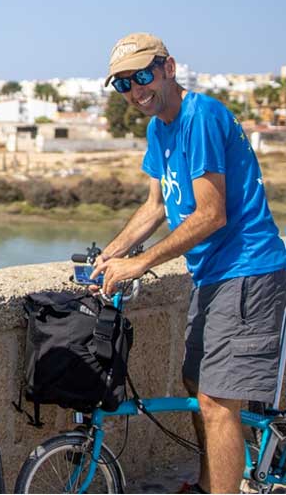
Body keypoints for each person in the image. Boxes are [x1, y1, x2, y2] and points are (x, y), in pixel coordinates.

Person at [90, 32, 286, 494]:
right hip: (213, 274)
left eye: (142, 75)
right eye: (124, 84)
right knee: (195, 382)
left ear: (169, 68)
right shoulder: (159, 127)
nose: (137, 91)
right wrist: (114, 252)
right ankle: (204, 484)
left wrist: (141, 263)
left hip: (247, 269)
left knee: (217, 402)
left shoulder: (201, 116)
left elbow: (211, 214)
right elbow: (155, 206)